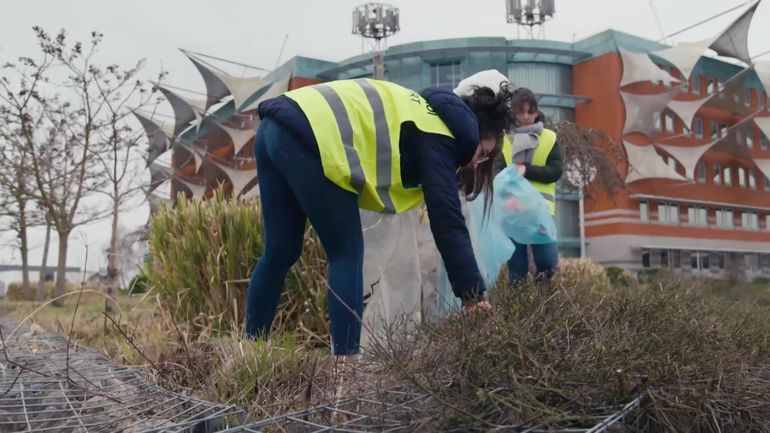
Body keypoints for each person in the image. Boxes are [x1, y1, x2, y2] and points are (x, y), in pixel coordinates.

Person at [245, 78, 513, 356]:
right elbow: (448, 221)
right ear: (476, 133)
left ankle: (250, 353)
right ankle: (346, 374)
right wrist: (473, 297)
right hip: (314, 135)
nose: (473, 163)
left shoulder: (423, 111)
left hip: (273, 128)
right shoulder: (441, 135)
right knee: (346, 254)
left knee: (280, 251)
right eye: (482, 154)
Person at [496, 87, 563, 284]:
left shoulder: (549, 138)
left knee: (547, 261)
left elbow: (556, 171)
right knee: (516, 268)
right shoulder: (503, 139)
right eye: (520, 111)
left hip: (541, 210)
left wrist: (526, 169)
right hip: (512, 210)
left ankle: (542, 307)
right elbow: (497, 173)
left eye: (530, 111)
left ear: (536, 112)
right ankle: (519, 311)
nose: (526, 116)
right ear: (512, 112)